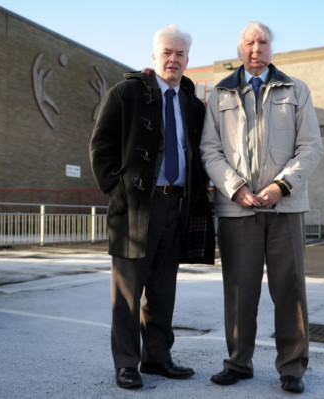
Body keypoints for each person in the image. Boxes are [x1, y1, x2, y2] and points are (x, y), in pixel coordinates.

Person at [200, 21, 324, 394]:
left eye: (263, 42)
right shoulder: (218, 95)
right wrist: (234, 188)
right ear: (240, 49)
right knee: (239, 290)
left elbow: (311, 147)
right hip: (238, 210)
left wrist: (280, 186)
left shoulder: (296, 90)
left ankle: (292, 368)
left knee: (289, 288)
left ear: (272, 49)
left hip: (285, 208)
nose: (257, 48)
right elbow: (210, 150)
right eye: (250, 43)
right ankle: (238, 363)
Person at [89, 24, 215, 390]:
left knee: (163, 289)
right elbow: (101, 148)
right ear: (154, 56)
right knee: (128, 293)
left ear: (187, 60)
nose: (173, 59)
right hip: (135, 207)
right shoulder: (125, 93)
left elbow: (198, 154)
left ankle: (157, 358)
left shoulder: (193, 105)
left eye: (179, 54)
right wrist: (119, 191)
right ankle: (126, 364)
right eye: (167, 53)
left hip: (177, 207)